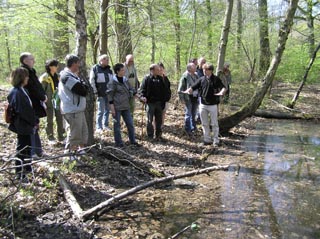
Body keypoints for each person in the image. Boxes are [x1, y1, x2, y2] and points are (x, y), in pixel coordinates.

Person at [184, 63, 226, 146]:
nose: (204, 71)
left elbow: (223, 87)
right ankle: (207, 140)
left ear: (210, 70)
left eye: (206, 70)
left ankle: (216, 140)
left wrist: (221, 92)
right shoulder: (201, 79)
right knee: (204, 123)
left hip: (213, 105)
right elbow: (193, 87)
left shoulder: (216, 79)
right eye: (203, 69)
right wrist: (188, 90)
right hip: (202, 104)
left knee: (214, 123)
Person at [7, 67, 36, 180]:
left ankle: (27, 168)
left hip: (26, 124)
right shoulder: (17, 92)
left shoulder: (22, 90)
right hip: (22, 124)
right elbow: (23, 111)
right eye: (26, 76)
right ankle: (20, 173)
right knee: (22, 148)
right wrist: (33, 121)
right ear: (21, 78)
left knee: (27, 147)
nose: (28, 78)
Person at [58, 54, 88, 154]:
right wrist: (83, 85)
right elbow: (82, 90)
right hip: (72, 110)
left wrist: (83, 85)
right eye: (78, 63)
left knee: (82, 132)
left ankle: (80, 151)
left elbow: (84, 87)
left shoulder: (73, 75)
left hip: (78, 109)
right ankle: (71, 155)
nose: (79, 66)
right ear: (73, 63)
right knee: (74, 134)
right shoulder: (66, 76)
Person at [20, 52, 47, 158]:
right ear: (25, 61)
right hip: (30, 104)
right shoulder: (24, 72)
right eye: (31, 59)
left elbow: (38, 85)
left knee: (35, 126)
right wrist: (42, 97)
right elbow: (31, 88)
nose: (34, 61)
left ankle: (38, 151)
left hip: (36, 104)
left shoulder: (32, 71)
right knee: (32, 127)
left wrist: (43, 95)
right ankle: (32, 152)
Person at [107, 63, 140, 148]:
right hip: (116, 107)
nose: (124, 71)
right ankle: (118, 143)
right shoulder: (112, 82)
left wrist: (139, 97)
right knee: (117, 126)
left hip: (126, 106)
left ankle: (133, 141)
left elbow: (131, 89)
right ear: (117, 71)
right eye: (122, 70)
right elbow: (110, 95)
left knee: (130, 124)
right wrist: (112, 108)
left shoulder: (125, 80)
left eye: (124, 70)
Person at [139, 64, 171, 141]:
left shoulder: (160, 79)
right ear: (152, 70)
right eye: (157, 69)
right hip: (150, 103)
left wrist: (165, 99)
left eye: (159, 69)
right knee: (150, 120)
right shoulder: (147, 78)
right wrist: (142, 97)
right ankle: (150, 136)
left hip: (159, 103)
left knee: (159, 120)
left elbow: (164, 90)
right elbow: (142, 90)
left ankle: (158, 135)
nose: (159, 71)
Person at [40, 59, 65, 142]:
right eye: (55, 65)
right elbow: (41, 90)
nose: (57, 67)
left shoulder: (58, 76)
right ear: (50, 67)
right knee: (49, 119)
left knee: (60, 118)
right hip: (48, 101)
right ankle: (50, 137)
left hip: (57, 100)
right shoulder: (45, 77)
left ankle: (61, 136)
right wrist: (44, 100)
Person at [89, 54, 113, 132]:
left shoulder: (109, 70)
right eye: (106, 59)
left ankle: (105, 125)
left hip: (108, 94)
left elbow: (112, 81)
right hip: (100, 93)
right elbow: (92, 81)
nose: (107, 61)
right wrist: (95, 91)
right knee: (100, 110)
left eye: (108, 59)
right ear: (101, 60)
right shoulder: (95, 68)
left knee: (107, 110)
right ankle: (98, 127)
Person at [178, 63, 199, 136]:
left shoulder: (196, 75)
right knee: (188, 114)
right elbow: (180, 89)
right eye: (194, 66)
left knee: (194, 114)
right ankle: (188, 129)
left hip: (195, 97)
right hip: (188, 98)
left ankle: (193, 128)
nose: (195, 67)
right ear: (189, 68)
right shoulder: (185, 76)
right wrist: (182, 98)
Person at [158, 62, 171, 127]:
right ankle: (156, 125)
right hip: (158, 99)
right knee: (157, 113)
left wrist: (168, 97)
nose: (160, 71)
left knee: (163, 112)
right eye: (159, 70)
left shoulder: (165, 78)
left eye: (162, 69)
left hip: (165, 99)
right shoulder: (155, 78)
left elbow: (168, 88)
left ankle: (162, 124)